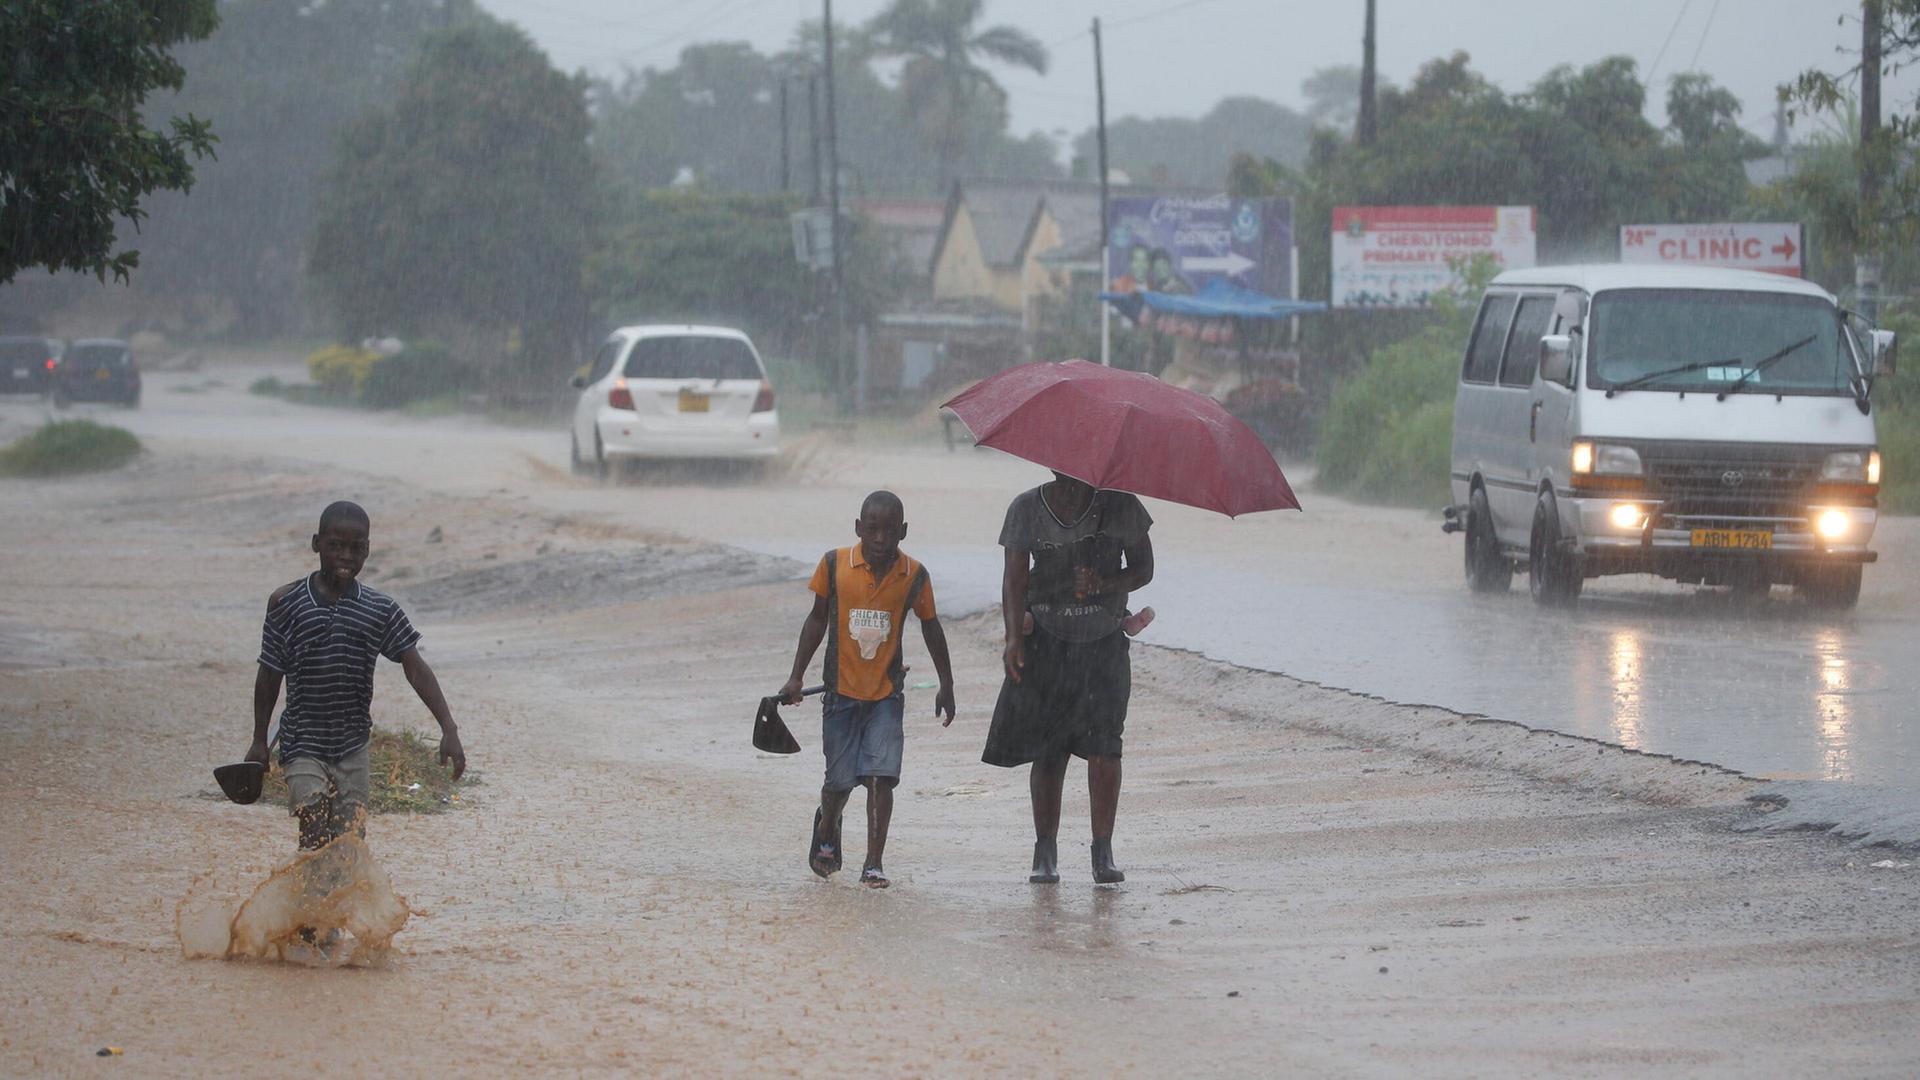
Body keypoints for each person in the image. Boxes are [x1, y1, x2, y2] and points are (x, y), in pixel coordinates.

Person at [246, 501, 465, 860]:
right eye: (335, 545)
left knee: (349, 846)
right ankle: (309, 897)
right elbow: (269, 674)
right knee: (314, 829)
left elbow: (416, 668)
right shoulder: (286, 604)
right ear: (316, 544)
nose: (345, 556)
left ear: (367, 550)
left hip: (353, 746)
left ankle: (336, 897)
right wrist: (259, 741)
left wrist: (449, 728)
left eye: (355, 548)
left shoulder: (379, 610)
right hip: (302, 742)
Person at [779, 491, 956, 889]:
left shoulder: (914, 575)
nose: (880, 539)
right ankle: (827, 825)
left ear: (903, 532)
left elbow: (931, 626)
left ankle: (873, 863)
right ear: (858, 528)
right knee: (839, 782)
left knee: (881, 777)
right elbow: (816, 620)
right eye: (872, 529)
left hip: (886, 697)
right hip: (840, 694)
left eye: (890, 531)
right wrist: (796, 676)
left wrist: (946, 683)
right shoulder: (834, 565)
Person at [985, 473, 1152, 885]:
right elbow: (1013, 580)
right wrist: (1013, 638)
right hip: (1045, 640)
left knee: (1106, 749)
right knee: (1049, 750)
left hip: (1104, 642)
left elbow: (1144, 569)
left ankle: (1102, 851)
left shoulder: (1122, 505)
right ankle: (1045, 851)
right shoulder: (1026, 508)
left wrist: (1105, 583)